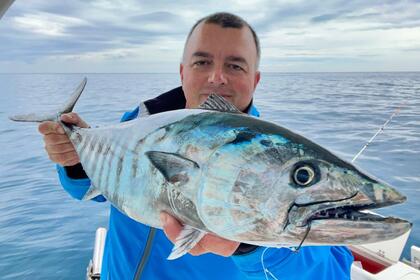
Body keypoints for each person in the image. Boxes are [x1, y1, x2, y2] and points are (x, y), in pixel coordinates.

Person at [38, 12, 354, 279]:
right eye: (202, 62)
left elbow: (335, 271)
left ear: (255, 80)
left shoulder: (278, 164)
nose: (217, 77)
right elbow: (93, 189)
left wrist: (250, 246)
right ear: (182, 71)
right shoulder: (136, 122)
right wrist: (73, 161)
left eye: (235, 66)